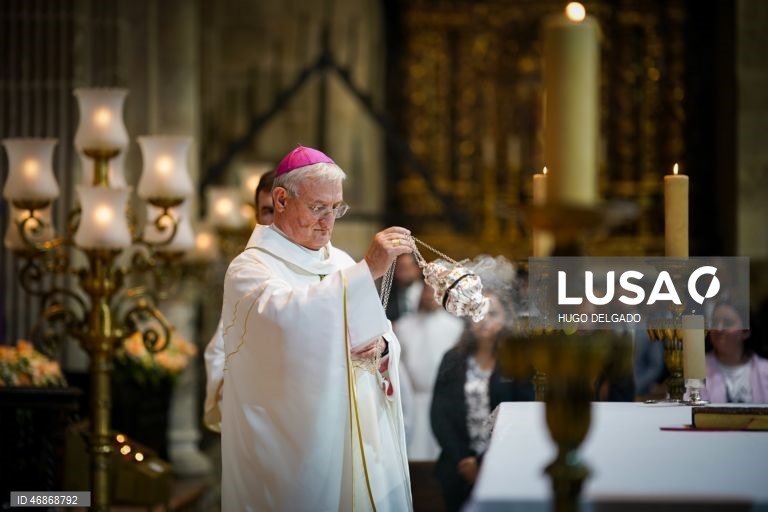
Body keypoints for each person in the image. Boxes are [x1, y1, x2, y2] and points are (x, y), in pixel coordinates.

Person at [219, 146, 413, 511]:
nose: (328, 221)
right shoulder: (250, 269)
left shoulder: (341, 263)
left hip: (359, 441)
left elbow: (381, 333)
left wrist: (382, 348)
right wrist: (367, 269)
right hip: (297, 450)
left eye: (336, 208)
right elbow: (285, 322)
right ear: (280, 199)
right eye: (317, 207)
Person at [430, 287, 534, 512]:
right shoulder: (452, 359)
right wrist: (464, 461)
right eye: (478, 312)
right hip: (457, 465)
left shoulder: (518, 362)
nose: (484, 319)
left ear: (506, 318)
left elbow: (523, 418)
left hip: (505, 465)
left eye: (493, 313)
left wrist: (482, 464)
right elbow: (439, 415)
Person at [203, 169, 274, 432]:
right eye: (267, 211)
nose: (274, 221)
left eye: (280, 210)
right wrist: (232, 387)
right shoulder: (247, 269)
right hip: (257, 414)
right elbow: (220, 346)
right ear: (256, 215)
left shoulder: (330, 266)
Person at [394, 282, 464, 460]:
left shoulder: (456, 327)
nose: (429, 296)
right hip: (411, 400)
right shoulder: (403, 326)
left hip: (444, 399)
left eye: (435, 291)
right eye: (426, 290)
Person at [702, 301, 768, 403]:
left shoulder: (765, 370)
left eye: (728, 323)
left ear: (746, 331)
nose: (719, 329)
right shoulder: (697, 368)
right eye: (715, 322)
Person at [385, 254, 424, 321]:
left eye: (407, 268)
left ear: (418, 268)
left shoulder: (429, 292)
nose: (404, 273)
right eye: (400, 268)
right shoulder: (388, 295)